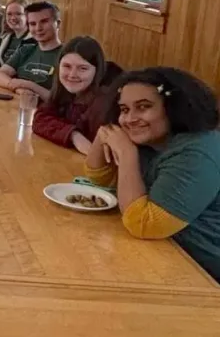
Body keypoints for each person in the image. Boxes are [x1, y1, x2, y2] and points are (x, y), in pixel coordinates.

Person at [84, 67, 220, 281]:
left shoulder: (197, 151)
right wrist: (104, 135)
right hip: (165, 256)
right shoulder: (152, 139)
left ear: (173, 107)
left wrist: (127, 154)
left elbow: (145, 224)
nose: (130, 118)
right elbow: (99, 178)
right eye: (124, 109)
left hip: (205, 274)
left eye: (143, 107)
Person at [32, 36, 122, 155]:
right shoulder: (64, 92)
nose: (72, 74)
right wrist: (73, 135)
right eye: (67, 66)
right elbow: (40, 118)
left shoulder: (105, 102)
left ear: (97, 71)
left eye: (83, 68)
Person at [0, 0, 63, 101]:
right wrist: (19, 89)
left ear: (58, 23)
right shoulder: (26, 49)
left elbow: (58, 100)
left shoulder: (66, 55)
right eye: (33, 24)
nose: (38, 28)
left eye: (44, 21)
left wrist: (27, 84)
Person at [0, 0, 34, 66]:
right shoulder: (5, 37)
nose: (13, 18)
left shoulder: (34, 41)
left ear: (28, 16)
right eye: (9, 14)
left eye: (18, 14)